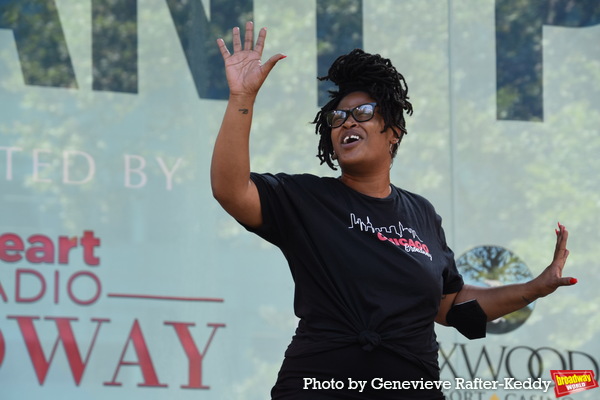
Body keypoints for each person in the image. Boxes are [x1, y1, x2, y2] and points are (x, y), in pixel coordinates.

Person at [211, 22, 576, 400]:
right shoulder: (306, 197)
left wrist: (535, 287)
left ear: (394, 131)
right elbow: (231, 190)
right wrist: (243, 97)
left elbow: (450, 307)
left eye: (363, 112)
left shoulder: (421, 214)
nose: (347, 121)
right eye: (338, 117)